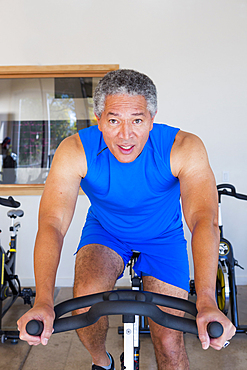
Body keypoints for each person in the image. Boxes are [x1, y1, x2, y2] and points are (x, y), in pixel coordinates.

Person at [18, 69, 235, 370]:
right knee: (84, 304)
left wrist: (208, 300)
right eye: (114, 120)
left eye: (137, 120)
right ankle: (101, 360)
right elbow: (52, 224)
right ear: (99, 119)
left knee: (170, 340)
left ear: (152, 117)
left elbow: (203, 219)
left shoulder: (184, 148)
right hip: (106, 232)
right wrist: (43, 300)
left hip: (163, 237)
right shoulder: (75, 151)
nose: (126, 134)